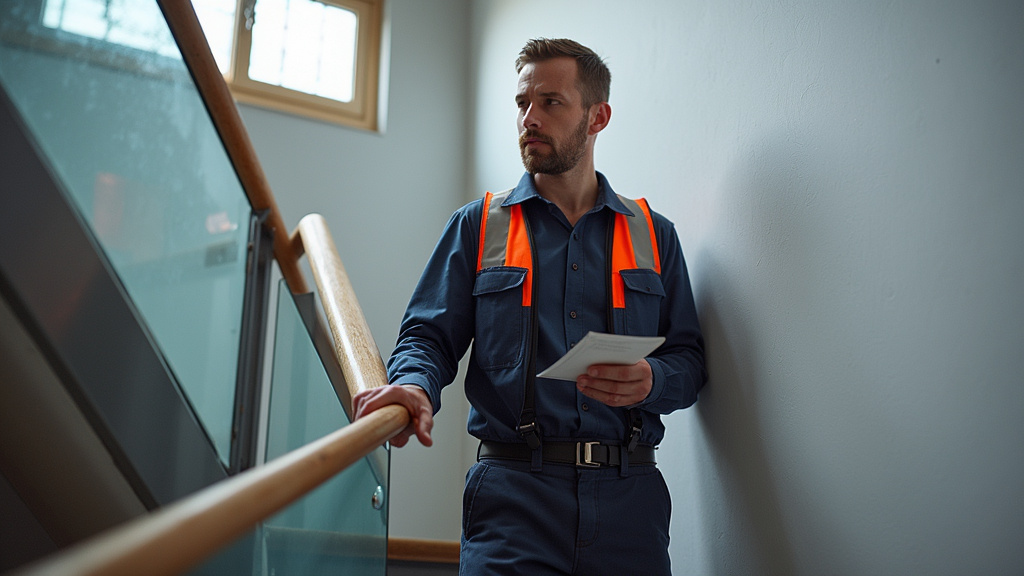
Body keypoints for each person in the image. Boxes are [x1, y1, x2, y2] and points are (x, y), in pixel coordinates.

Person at [353, 38, 706, 575]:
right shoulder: (478, 226)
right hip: (513, 499)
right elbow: (428, 338)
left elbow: (689, 360)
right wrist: (414, 385)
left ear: (598, 117)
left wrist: (653, 380)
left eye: (550, 102)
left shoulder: (654, 236)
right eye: (522, 103)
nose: (529, 118)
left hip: (630, 504)